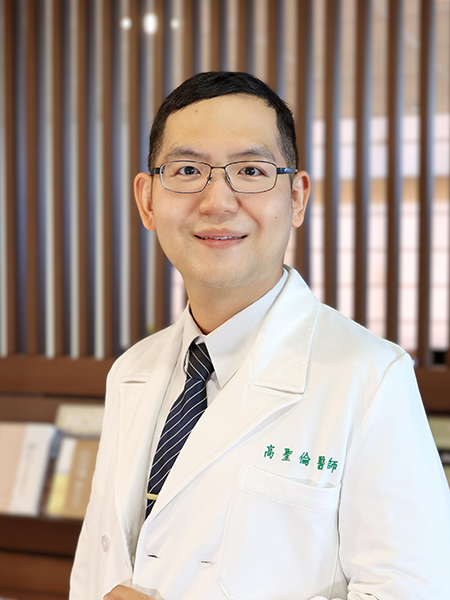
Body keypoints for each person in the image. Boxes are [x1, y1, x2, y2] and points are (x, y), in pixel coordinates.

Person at [70, 71, 450, 600]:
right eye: (187, 170)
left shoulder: (371, 378)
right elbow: (96, 569)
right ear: (148, 200)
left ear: (296, 197)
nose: (217, 202)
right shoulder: (131, 372)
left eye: (250, 170)